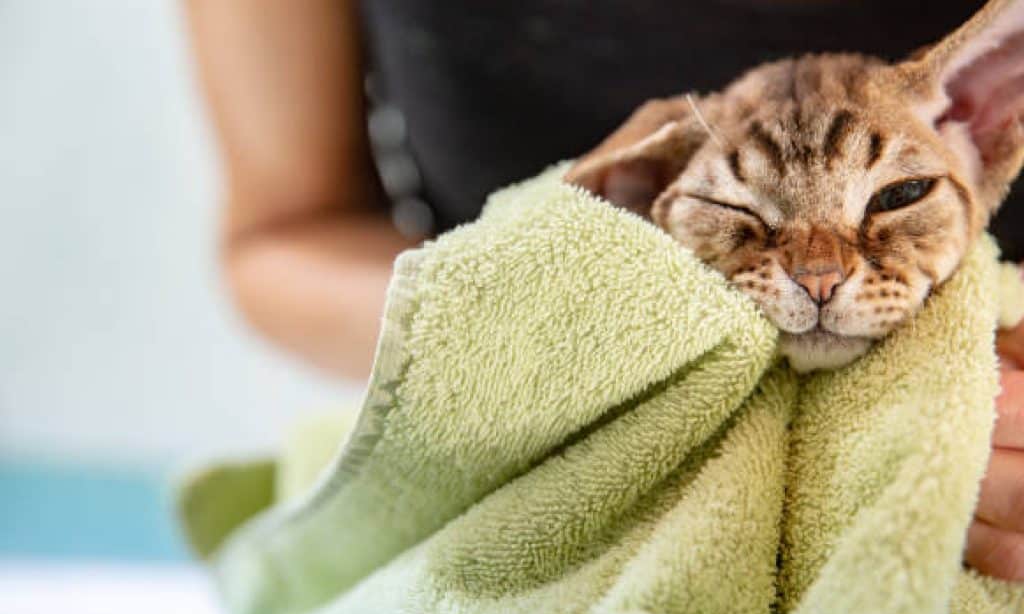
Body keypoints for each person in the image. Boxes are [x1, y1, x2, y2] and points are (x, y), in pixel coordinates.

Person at [183, 0, 1024, 580]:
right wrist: (559, 334)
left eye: (891, 199)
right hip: (531, 463)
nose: (819, 271)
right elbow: (283, 236)